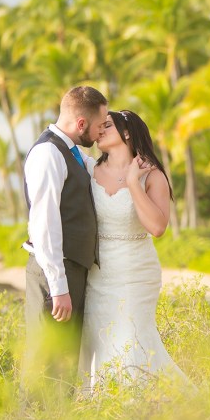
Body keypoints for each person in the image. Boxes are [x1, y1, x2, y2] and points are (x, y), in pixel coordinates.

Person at [77, 109, 191, 393]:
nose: (99, 131)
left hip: (135, 273)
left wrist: (132, 183)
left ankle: (141, 406)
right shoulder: (88, 169)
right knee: (101, 341)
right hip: (98, 273)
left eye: (107, 126)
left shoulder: (151, 175)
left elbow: (157, 227)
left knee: (130, 339)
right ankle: (105, 406)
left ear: (127, 133)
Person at [22, 85, 108, 391]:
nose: (100, 133)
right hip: (54, 273)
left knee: (64, 362)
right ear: (81, 124)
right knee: (44, 358)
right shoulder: (48, 153)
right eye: (100, 125)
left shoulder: (72, 152)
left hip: (70, 270)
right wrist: (58, 288)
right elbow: (44, 225)